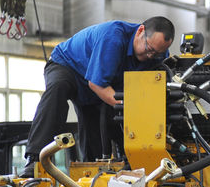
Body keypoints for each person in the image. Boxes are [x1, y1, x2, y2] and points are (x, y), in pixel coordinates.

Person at [20, 16, 175, 177]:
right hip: (69, 66)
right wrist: (129, 107)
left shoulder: (158, 55)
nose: (151, 56)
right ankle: (35, 159)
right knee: (58, 89)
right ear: (140, 31)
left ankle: (96, 176)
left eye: (157, 53)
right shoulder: (113, 38)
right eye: (149, 49)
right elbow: (97, 85)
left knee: (97, 139)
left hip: (103, 83)